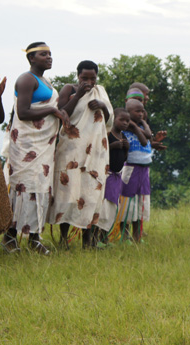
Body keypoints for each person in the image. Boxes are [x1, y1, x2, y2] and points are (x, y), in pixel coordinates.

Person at [2, 42, 69, 255]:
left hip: (43, 145)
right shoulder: (26, 79)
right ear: (31, 58)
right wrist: (52, 109)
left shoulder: (45, 81)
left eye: (50, 54)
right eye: (43, 54)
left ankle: (34, 237)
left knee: (40, 187)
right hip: (27, 145)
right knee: (24, 186)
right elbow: (22, 112)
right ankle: (10, 236)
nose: (49, 57)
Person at [48, 60, 114, 249]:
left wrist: (101, 105)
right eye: (84, 77)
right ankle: (63, 240)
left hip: (95, 151)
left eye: (92, 78)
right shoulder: (69, 89)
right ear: (78, 76)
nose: (89, 81)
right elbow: (61, 113)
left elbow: (109, 121)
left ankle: (87, 240)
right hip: (71, 150)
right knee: (68, 194)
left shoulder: (100, 92)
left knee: (90, 193)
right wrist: (78, 96)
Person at [120, 99, 152, 242]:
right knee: (127, 203)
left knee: (141, 202)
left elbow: (149, 136)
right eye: (137, 111)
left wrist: (143, 122)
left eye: (142, 111)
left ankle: (137, 236)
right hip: (130, 168)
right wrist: (133, 126)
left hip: (144, 169)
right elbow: (144, 141)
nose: (141, 113)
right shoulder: (125, 128)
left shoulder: (143, 127)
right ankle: (125, 236)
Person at [97, 108, 130, 243]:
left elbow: (124, 158)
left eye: (127, 121)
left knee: (111, 209)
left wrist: (126, 148)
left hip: (117, 177)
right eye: (121, 119)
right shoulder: (107, 134)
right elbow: (100, 152)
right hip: (107, 175)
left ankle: (104, 236)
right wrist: (112, 146)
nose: (125, 123)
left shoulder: (124, 137)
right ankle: (96, 237)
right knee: (103, 208)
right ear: (113, 118)